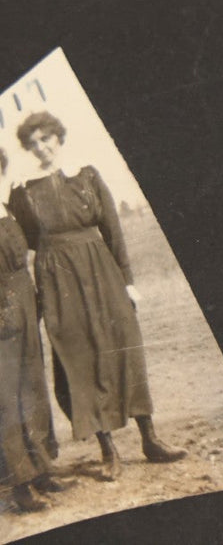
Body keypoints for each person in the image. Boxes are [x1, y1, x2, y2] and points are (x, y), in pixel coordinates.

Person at [8, 111, 186, 483]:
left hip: (101, 268)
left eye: (46, 138)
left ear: (58, 137)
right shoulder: (23, 190)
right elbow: (22, 240)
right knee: (78, 358)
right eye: (33, 143)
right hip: (56, 277)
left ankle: (150, 439)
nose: (41, 147)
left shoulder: (87, 174)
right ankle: (108, 451)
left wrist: (127, 281)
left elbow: (113, 230)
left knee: (125, 346)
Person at [0, 145, 65, 513]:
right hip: (2, 312)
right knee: (7, 399)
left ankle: (41, 470)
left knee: (33, 387)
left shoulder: (7, 208)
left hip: (25, 302)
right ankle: (20, 486)